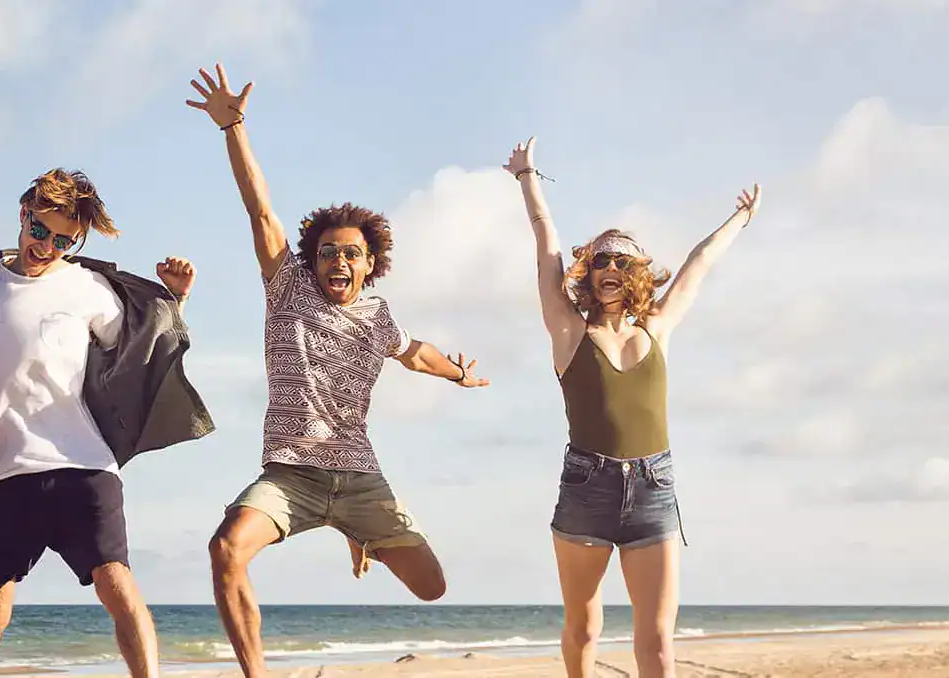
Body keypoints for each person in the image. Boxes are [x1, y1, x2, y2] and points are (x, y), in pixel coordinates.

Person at [183, 64, 491, 678]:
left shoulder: (379, 316)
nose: (338, 260)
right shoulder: (287, 289)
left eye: (351, 252)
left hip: (360, 482)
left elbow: (414, 350)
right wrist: (233, 127)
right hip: (289, 477)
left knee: (432, 587)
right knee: (225, 550)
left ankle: (359, 531)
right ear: (312, 260)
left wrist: (454, 375)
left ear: (370, 262)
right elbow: (260, 210)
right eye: (328, 252)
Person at [0, 168, 212, 678]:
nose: (48, 246)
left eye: (63, 239)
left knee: (118, 585)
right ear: (23, 215)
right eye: (40, 231)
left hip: (84, 464)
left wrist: (173, 301)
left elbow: (144, 350)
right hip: (1, 472)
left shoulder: (91, 288)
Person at [504, 137, 759, 678]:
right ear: (589, 275)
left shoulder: (658, 327)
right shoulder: (570, 331)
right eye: (600, 261)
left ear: (637, 273)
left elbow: (700, 263)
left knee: (659, 642)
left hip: (653, 489)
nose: (609, 268)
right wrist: (527, 177)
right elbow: (547, 244)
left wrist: (741, 218)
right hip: (587, 488)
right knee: (584, 627)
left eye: (621, 260)